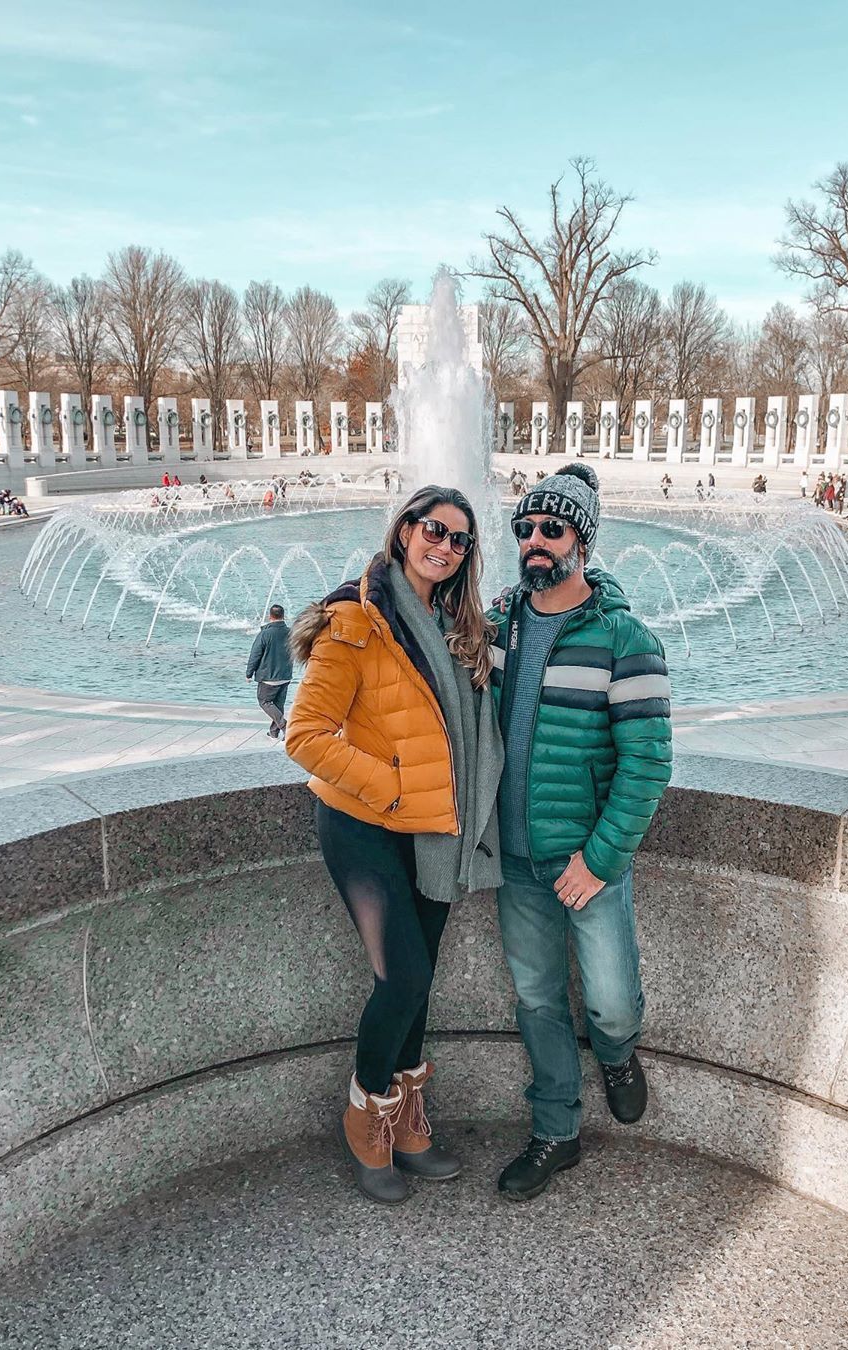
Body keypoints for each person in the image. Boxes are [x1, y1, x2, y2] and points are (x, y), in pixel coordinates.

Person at [286, 486, 503, 1205]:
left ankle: (407, 1121)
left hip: (435, 831)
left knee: (421, 978)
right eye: (434, 530)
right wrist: (393, 788)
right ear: (405, 530)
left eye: (460, 540)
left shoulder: (458, 628)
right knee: (402, 978)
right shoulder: (355, 620)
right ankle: (366, 1113)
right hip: (365, 825)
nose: (445, 547)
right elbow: (305, 735)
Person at [489, 464, 672, 1201]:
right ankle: (555, 1131)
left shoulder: (627, 639)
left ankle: (618, 1054)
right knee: (537, 1001)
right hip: (514, 861)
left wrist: (598, 861)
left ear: (583, 542)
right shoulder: (498, 624)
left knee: (611, 1003)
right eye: (525, 529)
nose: (535, 540)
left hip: (587, 861)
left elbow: (647, 765)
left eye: (552, 529)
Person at [246, 604, 294, 739]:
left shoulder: (265, 634)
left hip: (269, 677)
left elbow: (255, 654)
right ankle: (274, 732)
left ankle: (285, 726)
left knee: (264, 702)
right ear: (283, 616)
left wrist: (249, 673)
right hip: (285, 675)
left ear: (270, 616)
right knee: (278, 704)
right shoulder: (291, 633)